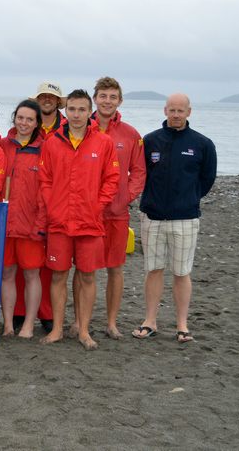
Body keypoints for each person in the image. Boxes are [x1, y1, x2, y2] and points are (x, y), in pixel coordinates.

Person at [39, 89, 120, 350]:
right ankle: (58, 329)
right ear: (66, 111)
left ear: (89, 111)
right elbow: (45, 180)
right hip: (60, 222)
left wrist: (98, 205)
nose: (76, 115)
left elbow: (112, 179)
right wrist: (53, 207)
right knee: (58, 276)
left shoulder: (103, 142)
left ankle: (84, 330)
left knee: (87, 277)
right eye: (72, 109)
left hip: (90, 222)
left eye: (81, 110)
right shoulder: (52, 142)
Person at [132, 93, 216, 343]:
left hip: (186, 218)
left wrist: (187, 199)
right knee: (154, 269)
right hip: (153, 217)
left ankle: (182, 325)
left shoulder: (202, 144)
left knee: (182, 272)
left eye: (181, 111)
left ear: (189, 112)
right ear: (165, 110)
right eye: (172, 110)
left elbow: (207, 179)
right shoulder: (150, 141)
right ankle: (150, 321)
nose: (176, 115)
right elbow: (140, 173)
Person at [85, 76, 146, 339]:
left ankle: (111, 322)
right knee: (84, 269)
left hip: (117, 213)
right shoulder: (81, 128)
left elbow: (139, 172)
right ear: (94, 99)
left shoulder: (131, 134)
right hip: (86, 212)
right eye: (102, 96)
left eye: (112, 97)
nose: (107, 101)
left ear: (119, 100)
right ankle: (80, 322)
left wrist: (124, 198)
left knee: (115, 268)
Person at [12, 80, 68, 332]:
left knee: (45, 269)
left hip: (47, 213)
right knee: (16, 269)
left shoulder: (66, 130)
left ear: (58, 102)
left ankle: (45, 314)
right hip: (16, 216)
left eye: (52, 97)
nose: (47, 100)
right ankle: (18, 314)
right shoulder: (11, 140)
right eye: (43, 96)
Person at [0, 100, 46, 338]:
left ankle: (28, 325)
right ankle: (8, 324)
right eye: (20, 117)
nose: (24, 123)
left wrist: (41, 224)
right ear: (14, 117)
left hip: (31, 226)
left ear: (37, 122)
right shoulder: (1, 146)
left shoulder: (44, 149)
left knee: (31, 274)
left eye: (29, 119)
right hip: (4, 224)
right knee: (6, 273)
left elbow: (48, 190)